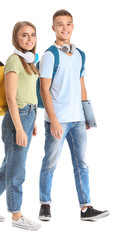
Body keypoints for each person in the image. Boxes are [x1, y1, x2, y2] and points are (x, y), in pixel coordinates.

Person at [38, 9, 109, 221]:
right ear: (53, 28)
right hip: (57, 120)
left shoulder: (80, 54)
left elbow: (81, 85)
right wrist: (54, 120)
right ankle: (44, 204)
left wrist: (87, 115)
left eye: (68, 24)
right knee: (50, 163)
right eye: (60, 24)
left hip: (77, 119)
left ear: (73, 26)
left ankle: (86, 208)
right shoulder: (50, 55)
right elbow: (44, 90)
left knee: (82, 164)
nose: (64, 28)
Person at [0, 21, 41, 230]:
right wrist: (19, 127)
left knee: (10, 163)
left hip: (28, 115)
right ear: (16, 37)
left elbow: (29, 92)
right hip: (17, 117)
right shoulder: (14, 61)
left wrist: (31, 122)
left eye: (32, 35)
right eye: (24, 35)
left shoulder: (30, 61)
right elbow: (10, 97)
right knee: (17, 169)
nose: (29, 39)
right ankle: (16, 215)